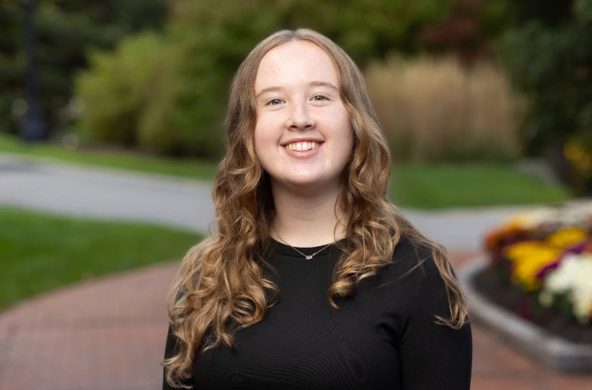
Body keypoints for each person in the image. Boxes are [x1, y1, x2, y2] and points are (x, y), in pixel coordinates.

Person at [162, 28, 472, 390]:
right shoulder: (207, 277)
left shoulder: (417, 273)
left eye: (320, 97)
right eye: (275, 101)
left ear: (354, 118)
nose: (300, 118)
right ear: (248, 129)